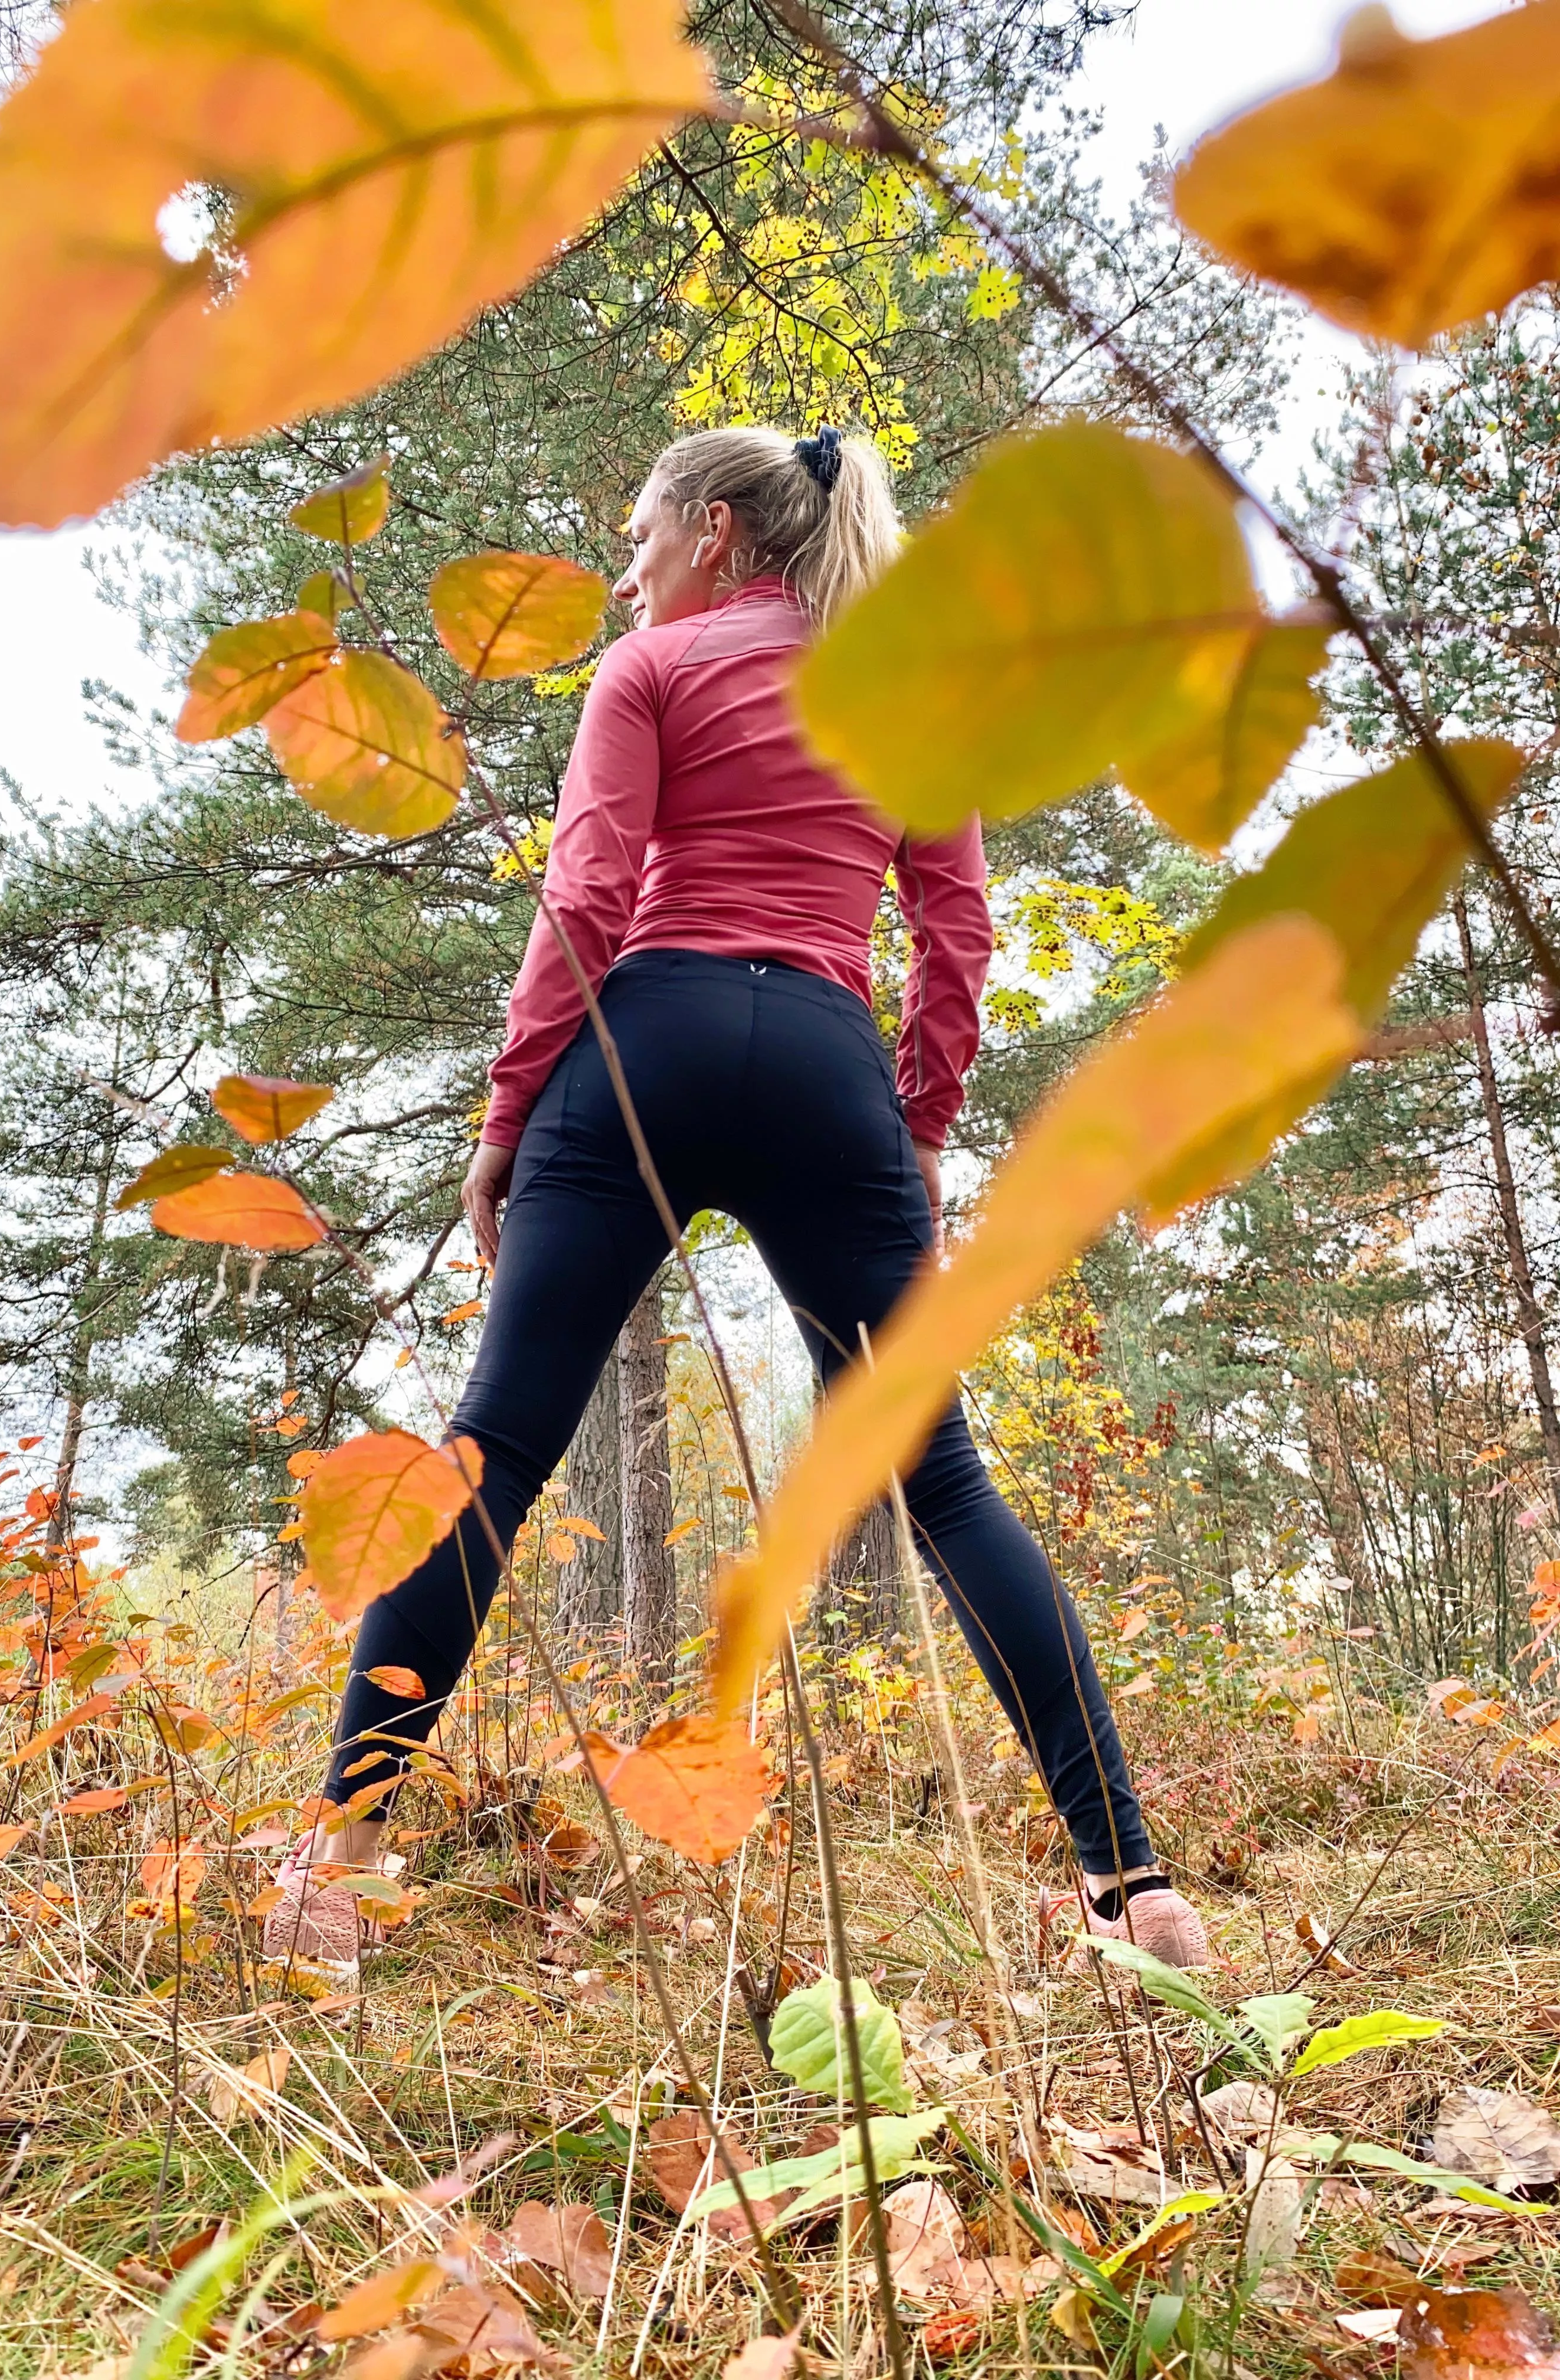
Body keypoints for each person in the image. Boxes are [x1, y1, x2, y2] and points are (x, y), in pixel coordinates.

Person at [266, 423, 1209, 1972]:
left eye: (641, 534)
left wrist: (509, 1112)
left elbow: (585, 895)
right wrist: (913, 1122)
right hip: (829, 1067)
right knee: (943, 1482)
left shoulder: (648, 674)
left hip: (645, 1041)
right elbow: (955, 932)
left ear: (713, 530)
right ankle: (1136, 1889)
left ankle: (336, 1871)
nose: (631, 566)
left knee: (490, 1455)